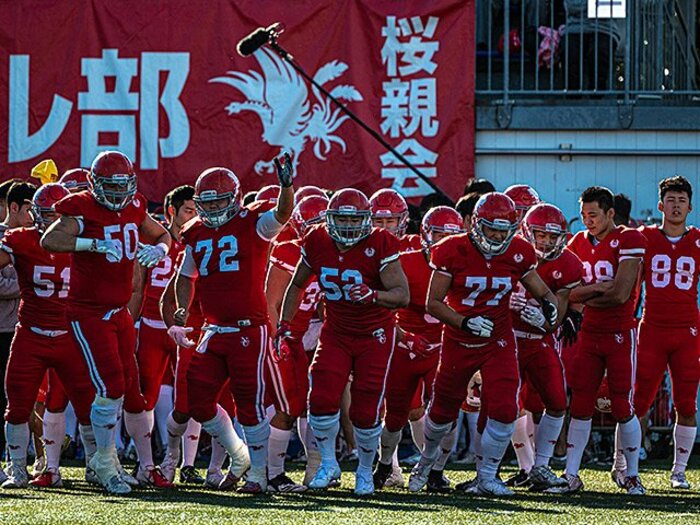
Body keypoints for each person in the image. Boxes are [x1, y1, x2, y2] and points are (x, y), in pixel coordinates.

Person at [408, 192, 558, 497]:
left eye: (505, 230)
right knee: (442, 410)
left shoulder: (518, 250)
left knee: (504, 407)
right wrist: (464, 321)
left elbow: (543, 291)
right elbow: (433, 303)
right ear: (477, 224)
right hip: (459, 339)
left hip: (498, 339)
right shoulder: (451, 249)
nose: (499, 236)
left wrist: (550, 306)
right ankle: (425, 462)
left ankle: (487, 476)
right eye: (493, 229)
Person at [42, 150, 172, 495]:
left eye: (122, 186)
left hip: (118, 312)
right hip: (89, 311)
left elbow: (161, 235)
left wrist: (159, 251)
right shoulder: (81, 206)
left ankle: (113, 461)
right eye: (110, 187)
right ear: (94, 184)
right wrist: (93, 244)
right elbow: (50, 239)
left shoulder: (134, 205)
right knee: (111, 385)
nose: (117, 194)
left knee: (130, 383)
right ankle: (103, 461)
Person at [168, 155, 294, 494]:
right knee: (197, 398)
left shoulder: (251, 222)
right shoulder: (194, 231)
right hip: (214, 328)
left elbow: (282, 214)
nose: (214, 209)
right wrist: (183, 307)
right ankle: (240, 455)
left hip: (249, 328)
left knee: (250, 403)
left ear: (235, 199)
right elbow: (185, 276)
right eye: (207, 203)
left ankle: (259, 475)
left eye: (220, 201)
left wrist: (286, 186)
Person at [277, 188, 409, 496]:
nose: (348, 227)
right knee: (321, 396)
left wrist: (373, 295)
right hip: (336, 331)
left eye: (355, 220)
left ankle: (365, 469)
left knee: (365, 406)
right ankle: (328, 463)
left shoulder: (381, 242)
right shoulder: (317, 240)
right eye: (342, 219)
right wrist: (284, 324)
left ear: (366, 220)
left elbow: (402, 295)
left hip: (374, 333)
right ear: (329, 219)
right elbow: (297, 284)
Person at [0, 183, 96, 489]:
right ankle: (18, 469)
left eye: (57, 218)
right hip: (31, 333)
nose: (50, 224)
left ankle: (98, 466)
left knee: (87, 405)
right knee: (17, 404)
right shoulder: (19, 239)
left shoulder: (84, 242)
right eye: (44, 215)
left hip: (70, 333)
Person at [553, 186, 646, 496]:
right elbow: (566, 294)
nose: (587, 221)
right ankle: (571, 474)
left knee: (621, 403)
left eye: (593, 215)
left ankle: (631, 474)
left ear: (610, 214)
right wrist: (596, 290)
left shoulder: (629, 239)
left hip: (620, 332)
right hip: (588, 333)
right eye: (583, 215)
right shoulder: (577, 242)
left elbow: (621, 294)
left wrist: (584, 295)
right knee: (580, 402)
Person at [374, 206, 465, 493]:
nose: (442, 242)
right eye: (437, 234)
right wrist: (403, 335)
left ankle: (434, 470)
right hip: (406, 345)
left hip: (445, 344)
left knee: (447, 412)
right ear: (425, 234)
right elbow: (383, 307)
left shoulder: (465, 263)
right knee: (396, 413)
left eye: (449, 236)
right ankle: (386, 464)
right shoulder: (405, 261)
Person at [508, 203, 583, 491]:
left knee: (556, 402)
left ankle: (540, 466)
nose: (547, 242)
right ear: (528, 232)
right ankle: (487, 471)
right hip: (507, 340)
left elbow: (559, 315)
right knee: (502, 405)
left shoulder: (568, 264)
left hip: (540, 341)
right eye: (541, 235)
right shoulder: (509, 251)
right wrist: (505, 304)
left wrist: (545, 318)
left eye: (553, 237)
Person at [127, 186, 199, 485]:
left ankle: (188, 463)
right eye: (188, 211)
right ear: (172, 211)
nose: (194, 217)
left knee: (193, 393)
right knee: (147, 395)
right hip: (154, 329)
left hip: (188, 330)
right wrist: (131, 322)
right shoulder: (153, 240)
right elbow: (138, 286)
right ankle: (146, 461)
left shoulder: (200, 239)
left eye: (197, 211)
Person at [633, 176, 699, 490]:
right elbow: (630, 283)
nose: (675, 206)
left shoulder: (698, 240)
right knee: (638, 401)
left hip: (687, 330)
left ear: (690, 206)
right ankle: (628, 466)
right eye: (670, 200)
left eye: (681, 201)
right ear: (661, 205)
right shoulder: (644, 237)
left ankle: (679, 471)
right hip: (653, 328)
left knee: (686, 403)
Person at [265, 194, 328, 492]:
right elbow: (271, 301)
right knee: (289, 404)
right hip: (284, 334)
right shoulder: (289, 250)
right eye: (316, 224)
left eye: (327, 222)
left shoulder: (332, 251)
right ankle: (272, 473)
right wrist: (279, 335)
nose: (323, 229)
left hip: (306, 334)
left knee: (309, 404)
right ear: (302, 226)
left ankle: (313, 470)